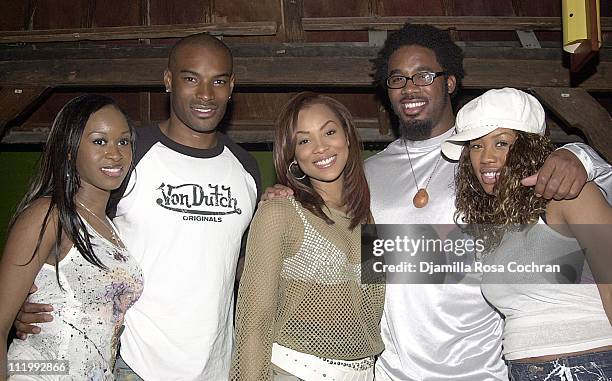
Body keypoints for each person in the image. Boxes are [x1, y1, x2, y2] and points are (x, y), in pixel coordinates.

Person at [14, 33, 261, 380]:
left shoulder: (246, 169)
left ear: (232, 86)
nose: (206, 94)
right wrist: (26, 306)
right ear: (168, 81)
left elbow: (238, 263)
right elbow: (68, 232)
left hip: (217, 366)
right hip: (132, 362)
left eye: (218, 81)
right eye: (191, 78)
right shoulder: (129, 153)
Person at [442, 87, 612, 380]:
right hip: (521, 369)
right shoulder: (493, 226)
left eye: (502, 143)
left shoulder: (571, 195)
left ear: (528, 148)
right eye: (476, 146)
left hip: (589, 363)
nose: (486, 158)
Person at [230, 92, 385, 381]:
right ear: (293, 156)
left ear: (347, 137)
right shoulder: (280, 212)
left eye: (329, 131)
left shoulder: (367, 218)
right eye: (304, 140)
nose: (320, 147)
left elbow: (372, 307)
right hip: (296, 372)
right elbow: (255, 319)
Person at [0, 94, 143, 379]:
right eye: (99, 141)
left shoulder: (111, 227)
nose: (115, 153)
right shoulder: (49, 214)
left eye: (123, 141)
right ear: (69, 149)